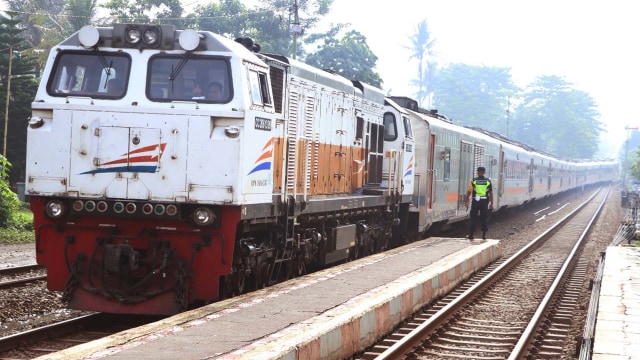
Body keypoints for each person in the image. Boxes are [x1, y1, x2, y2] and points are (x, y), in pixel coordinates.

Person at [464, 166, 493, 240]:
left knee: (474, 217)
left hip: (476, 201)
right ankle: (484, 235)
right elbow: (491, 193)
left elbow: (469, 191)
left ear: (477, 172)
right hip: (484, 201)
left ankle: (471, 234)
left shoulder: (473, 181)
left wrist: (466, 201)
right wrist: (491, 203)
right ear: (484, 172)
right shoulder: (488, 181)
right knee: (484, 217)